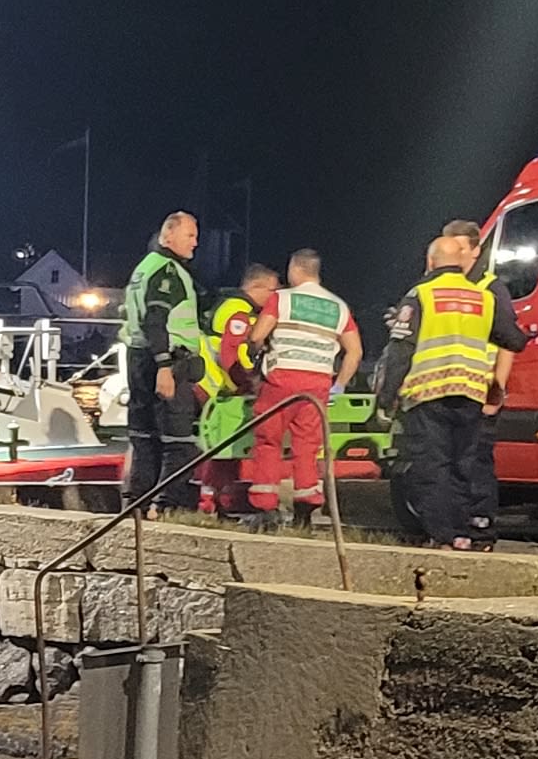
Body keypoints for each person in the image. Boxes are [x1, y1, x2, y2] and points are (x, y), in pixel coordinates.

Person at [382, 221, 533, 550]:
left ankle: (443, 535)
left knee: (432, 466)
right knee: (465, 465)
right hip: (471, 395)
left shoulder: (421, 294)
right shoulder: (484, 296)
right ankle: (466, 532)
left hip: (428, 394)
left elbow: (400, 351)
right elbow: (513, 340)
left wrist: (386, 396)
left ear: (431, 260)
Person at [255, 249, 363, 530]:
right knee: (307, 446)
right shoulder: (338, 306)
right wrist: (339, 385)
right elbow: (355, 352)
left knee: (269, 441)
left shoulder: (282, 298)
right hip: (318, 384)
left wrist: (256, 353)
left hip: (281, 379)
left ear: (295, 269)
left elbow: (257, 335)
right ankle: (305, 509)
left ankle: (266, 510)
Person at [120, 212, 207, 503]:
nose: (195, 243)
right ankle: (168, 505)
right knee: (178, 442)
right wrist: (164, 366)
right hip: (167, 361)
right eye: (190, 235)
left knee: (144, 438)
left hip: (138, 359)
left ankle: (138, 504)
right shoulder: (167, 271)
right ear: (168, 236)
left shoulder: (144, 267)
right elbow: (155, 319)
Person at [196, 270, 278, 522]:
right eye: (272, 291)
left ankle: (217, 503)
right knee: (222, 449)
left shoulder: (232, 307)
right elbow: (229, 352)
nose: (274, 297)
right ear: (256, 287)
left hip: (217, 385)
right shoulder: (238, 311)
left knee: (225, 449)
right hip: (219, 387)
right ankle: (210, 504)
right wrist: (242, 383)